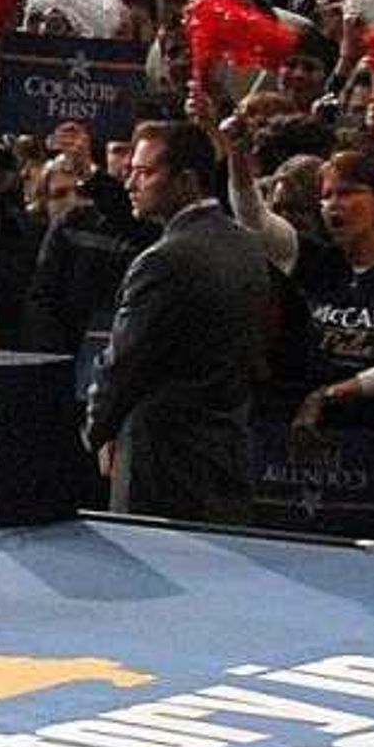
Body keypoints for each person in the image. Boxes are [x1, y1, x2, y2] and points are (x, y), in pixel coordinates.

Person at [87, 120, 279, 522]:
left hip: (161, 467)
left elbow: (123, 363)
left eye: (144, 173)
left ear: (187, 180)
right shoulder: (246, 245)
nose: (130, 185)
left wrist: (96, 430)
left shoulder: (164, 260)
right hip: (227, 454)